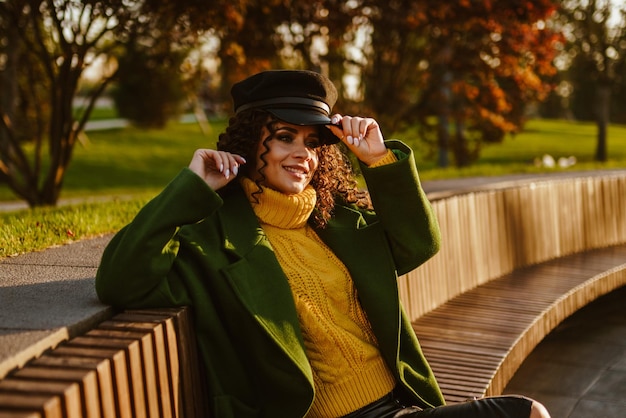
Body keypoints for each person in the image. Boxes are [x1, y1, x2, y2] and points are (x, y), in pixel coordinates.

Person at [95, 70, 550, 418]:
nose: (303, 154)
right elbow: (120, 280)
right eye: (285, 137)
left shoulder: (334, 219)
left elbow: (418, 246)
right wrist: (191, 187)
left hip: (399, 402)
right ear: (251, 141)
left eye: (313, 143)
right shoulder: (212, 240)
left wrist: (377, 158)